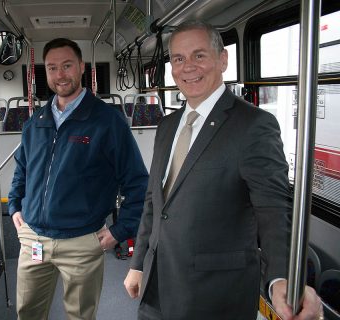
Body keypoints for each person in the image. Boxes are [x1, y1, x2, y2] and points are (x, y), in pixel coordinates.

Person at [124, 21, 323, 320]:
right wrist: (138, 263)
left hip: (214, 293)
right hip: (157, 282)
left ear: (223, 60)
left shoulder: (253, 125)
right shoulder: (167, 126)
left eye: (199, 55)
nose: (187, 67)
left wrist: (282, 277)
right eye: (178, 59)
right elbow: (155, 202)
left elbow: (274, 208)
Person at [8, 38, 149, 320]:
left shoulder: (107, 121)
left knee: (80, 316)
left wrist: (120, 231)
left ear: (81, 67)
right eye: (52, 68)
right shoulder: (36, 121)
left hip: (82, 241)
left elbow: (137, 182)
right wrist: (14, 206)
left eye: (67, 65)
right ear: (45, 72)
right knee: (27, 313)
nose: (60, 74)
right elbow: (22, 169)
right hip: (33, 239)